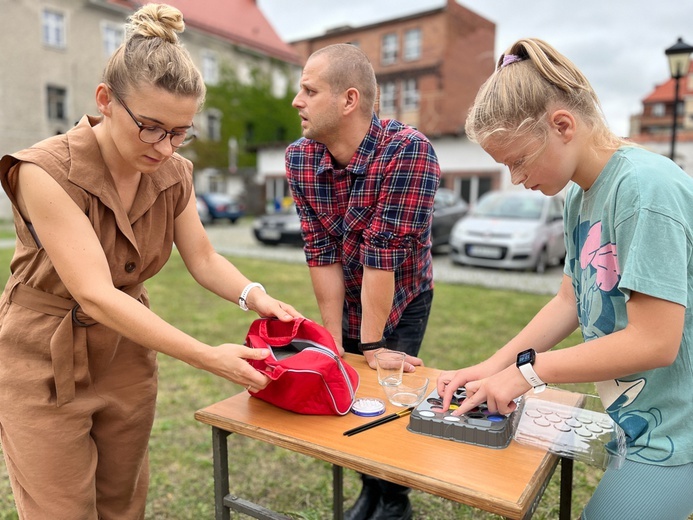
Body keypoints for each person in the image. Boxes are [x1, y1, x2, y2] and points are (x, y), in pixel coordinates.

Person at [0, 4, 301, 519]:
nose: (165, 148)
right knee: (60, 511)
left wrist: (256, 297)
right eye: (151, 127)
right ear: (105, 101)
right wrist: (209, 357)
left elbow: (203, 257)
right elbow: (94, 291)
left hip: (125, 354)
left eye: (181, 131)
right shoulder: (44, 170)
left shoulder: (174, 172)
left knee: (122, 504)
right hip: (42, 359)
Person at [437, 38, 693, 519]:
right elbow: (570, 301)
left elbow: (656, 341)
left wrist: (529, 374)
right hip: (641, 418)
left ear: (562, 126)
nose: (515, 178)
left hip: (679, 431)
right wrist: (494, 366)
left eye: (517, 160)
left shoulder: (644, 189)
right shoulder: (579, 195)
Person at [286, 43, 440, 520]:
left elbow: (383, 257)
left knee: (387, 396)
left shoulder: (408, 151)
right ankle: (370, 489)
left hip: (401, 295)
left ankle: (394, 502)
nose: (297, 101)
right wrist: (333, 340)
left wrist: (372, 344)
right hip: (346, 292)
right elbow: (321, 253)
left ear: (349, 100)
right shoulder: (300, 160)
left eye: (309, 90)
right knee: (349, 393)